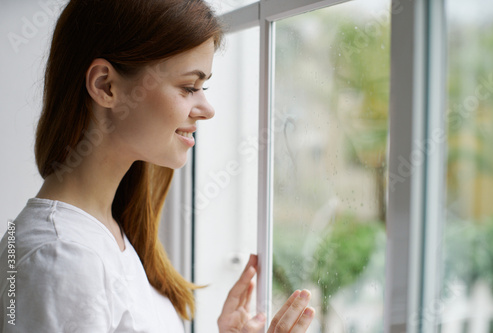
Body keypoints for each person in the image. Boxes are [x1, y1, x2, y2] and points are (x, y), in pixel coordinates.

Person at [0, 0, 315, 332]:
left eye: (203, 87)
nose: (207, 108)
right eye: (189, 87)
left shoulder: (105, 233)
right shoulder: (61, 258)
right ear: (105, 86)